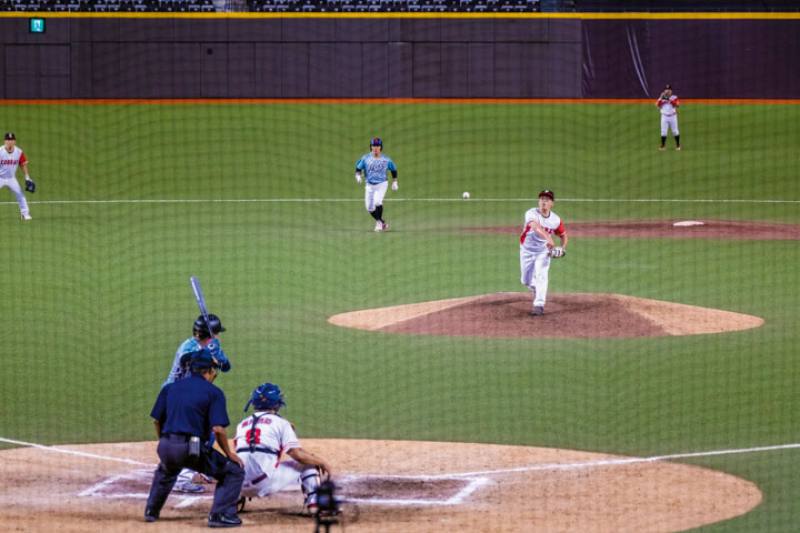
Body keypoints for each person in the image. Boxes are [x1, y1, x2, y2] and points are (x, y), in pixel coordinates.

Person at [144, 348, 245, 528]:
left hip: (166, 445)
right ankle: (220, 516)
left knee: (167, 470)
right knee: (232, 472)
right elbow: (218, 429)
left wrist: (165, 441)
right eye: (214, 369)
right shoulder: (213, 392)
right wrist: (229, 453)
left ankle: (151, 511)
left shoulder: (170, 388)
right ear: (210, 370)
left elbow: (156, 420)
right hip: (191, 448)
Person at [233, 382, 332, 515]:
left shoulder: (242, 424)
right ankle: (315, 503)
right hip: (264, 483)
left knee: (242, 460)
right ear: (276, 403)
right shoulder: (281, 423)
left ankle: (234, 501)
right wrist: (321, 461)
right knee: (308, 463)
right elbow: (297, 454)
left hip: (237, 484)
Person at [164, 313, 232, 493]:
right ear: (212, 333)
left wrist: (218, 354)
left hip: (193, 397)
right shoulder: (188, 347)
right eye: (217, 333)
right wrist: (207, 352)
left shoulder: (213, 346)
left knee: (208, 433)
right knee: (192, 435)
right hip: (175, 397)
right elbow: (188, 360)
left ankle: (200, 468)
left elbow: (226, 366)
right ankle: (182, 478)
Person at [519, 189, 568, 316]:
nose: (544, 201)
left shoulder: (556, 220)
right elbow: (535, 227)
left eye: (547, 199)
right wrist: (548, 237)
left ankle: (539, 305)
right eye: (541, 199)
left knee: (542, 275)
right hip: (526, 250)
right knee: (525, 280)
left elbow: (563, 235)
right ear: (538, 201)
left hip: (543, 251)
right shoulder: (531, 213)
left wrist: (562, 249)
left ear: (552, 203)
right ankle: (536, 289)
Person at [354, 137, 398, 232]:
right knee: (369, 207)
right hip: (369, 185)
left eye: (377, 146)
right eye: (373, 146)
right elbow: (358, 169)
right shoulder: (366, 158)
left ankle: (378, 223)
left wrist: (395, 181)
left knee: (378, 201)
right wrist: (357, 176)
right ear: (371, 147)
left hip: (382, 184)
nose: (375, 148)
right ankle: (382, 222)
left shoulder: (386, 160)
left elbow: (393, 169)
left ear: (380, 147)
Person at [0, 132, 35, 221]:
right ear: (4, 141)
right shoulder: (0, 151)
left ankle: (25, 214)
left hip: (12, 179)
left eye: (11, 140)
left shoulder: (19, 152)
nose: (10, 142)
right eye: (8, 140)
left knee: (20, 195)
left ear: (14, 141)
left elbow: (23, 164)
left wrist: (27, 177)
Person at [657, 84, 681, 151]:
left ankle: (678, 145)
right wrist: (661, 98)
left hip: (673, 117)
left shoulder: (674, 97)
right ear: (664, 90)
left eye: (669, 89)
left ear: (671, 91)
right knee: (663, 132)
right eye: (666, 89)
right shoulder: (661, 97)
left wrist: (668, 99)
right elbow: (657, 105)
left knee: (675, 131)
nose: (667, 91)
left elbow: (677, 105)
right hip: (664, 117)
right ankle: (663, 146)